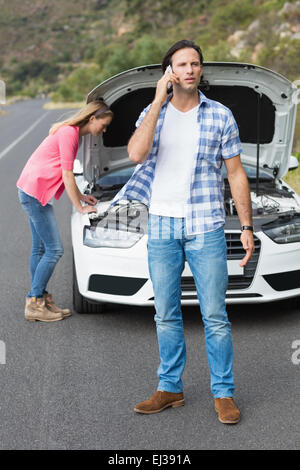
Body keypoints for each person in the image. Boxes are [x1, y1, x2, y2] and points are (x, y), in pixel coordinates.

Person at [111, 40, 254, 424]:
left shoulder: (221, 116)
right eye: (181, 64)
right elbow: (137, 155)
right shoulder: (151, 112)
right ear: (169, 71)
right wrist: (158, 101)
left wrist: (245, 226)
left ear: (201, 70)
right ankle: (170, 388)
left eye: (195, 64)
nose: (189, 70)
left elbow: (235, 173)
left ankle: (223, 394)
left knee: (215, 315)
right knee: (166, 314)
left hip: (205, 225)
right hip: (161, 225)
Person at [17, 100, 113, 322]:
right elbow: (67, 174)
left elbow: (64, 172)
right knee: (54, 250)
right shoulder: (70, 134)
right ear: (92, 119)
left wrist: (80, 195)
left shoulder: (71, 133)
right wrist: (79, 207)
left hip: (31, 190)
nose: (104, 130)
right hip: (33, 194)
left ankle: (40, 298)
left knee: (40, 249)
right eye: (104, 125)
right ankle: (34, 302)